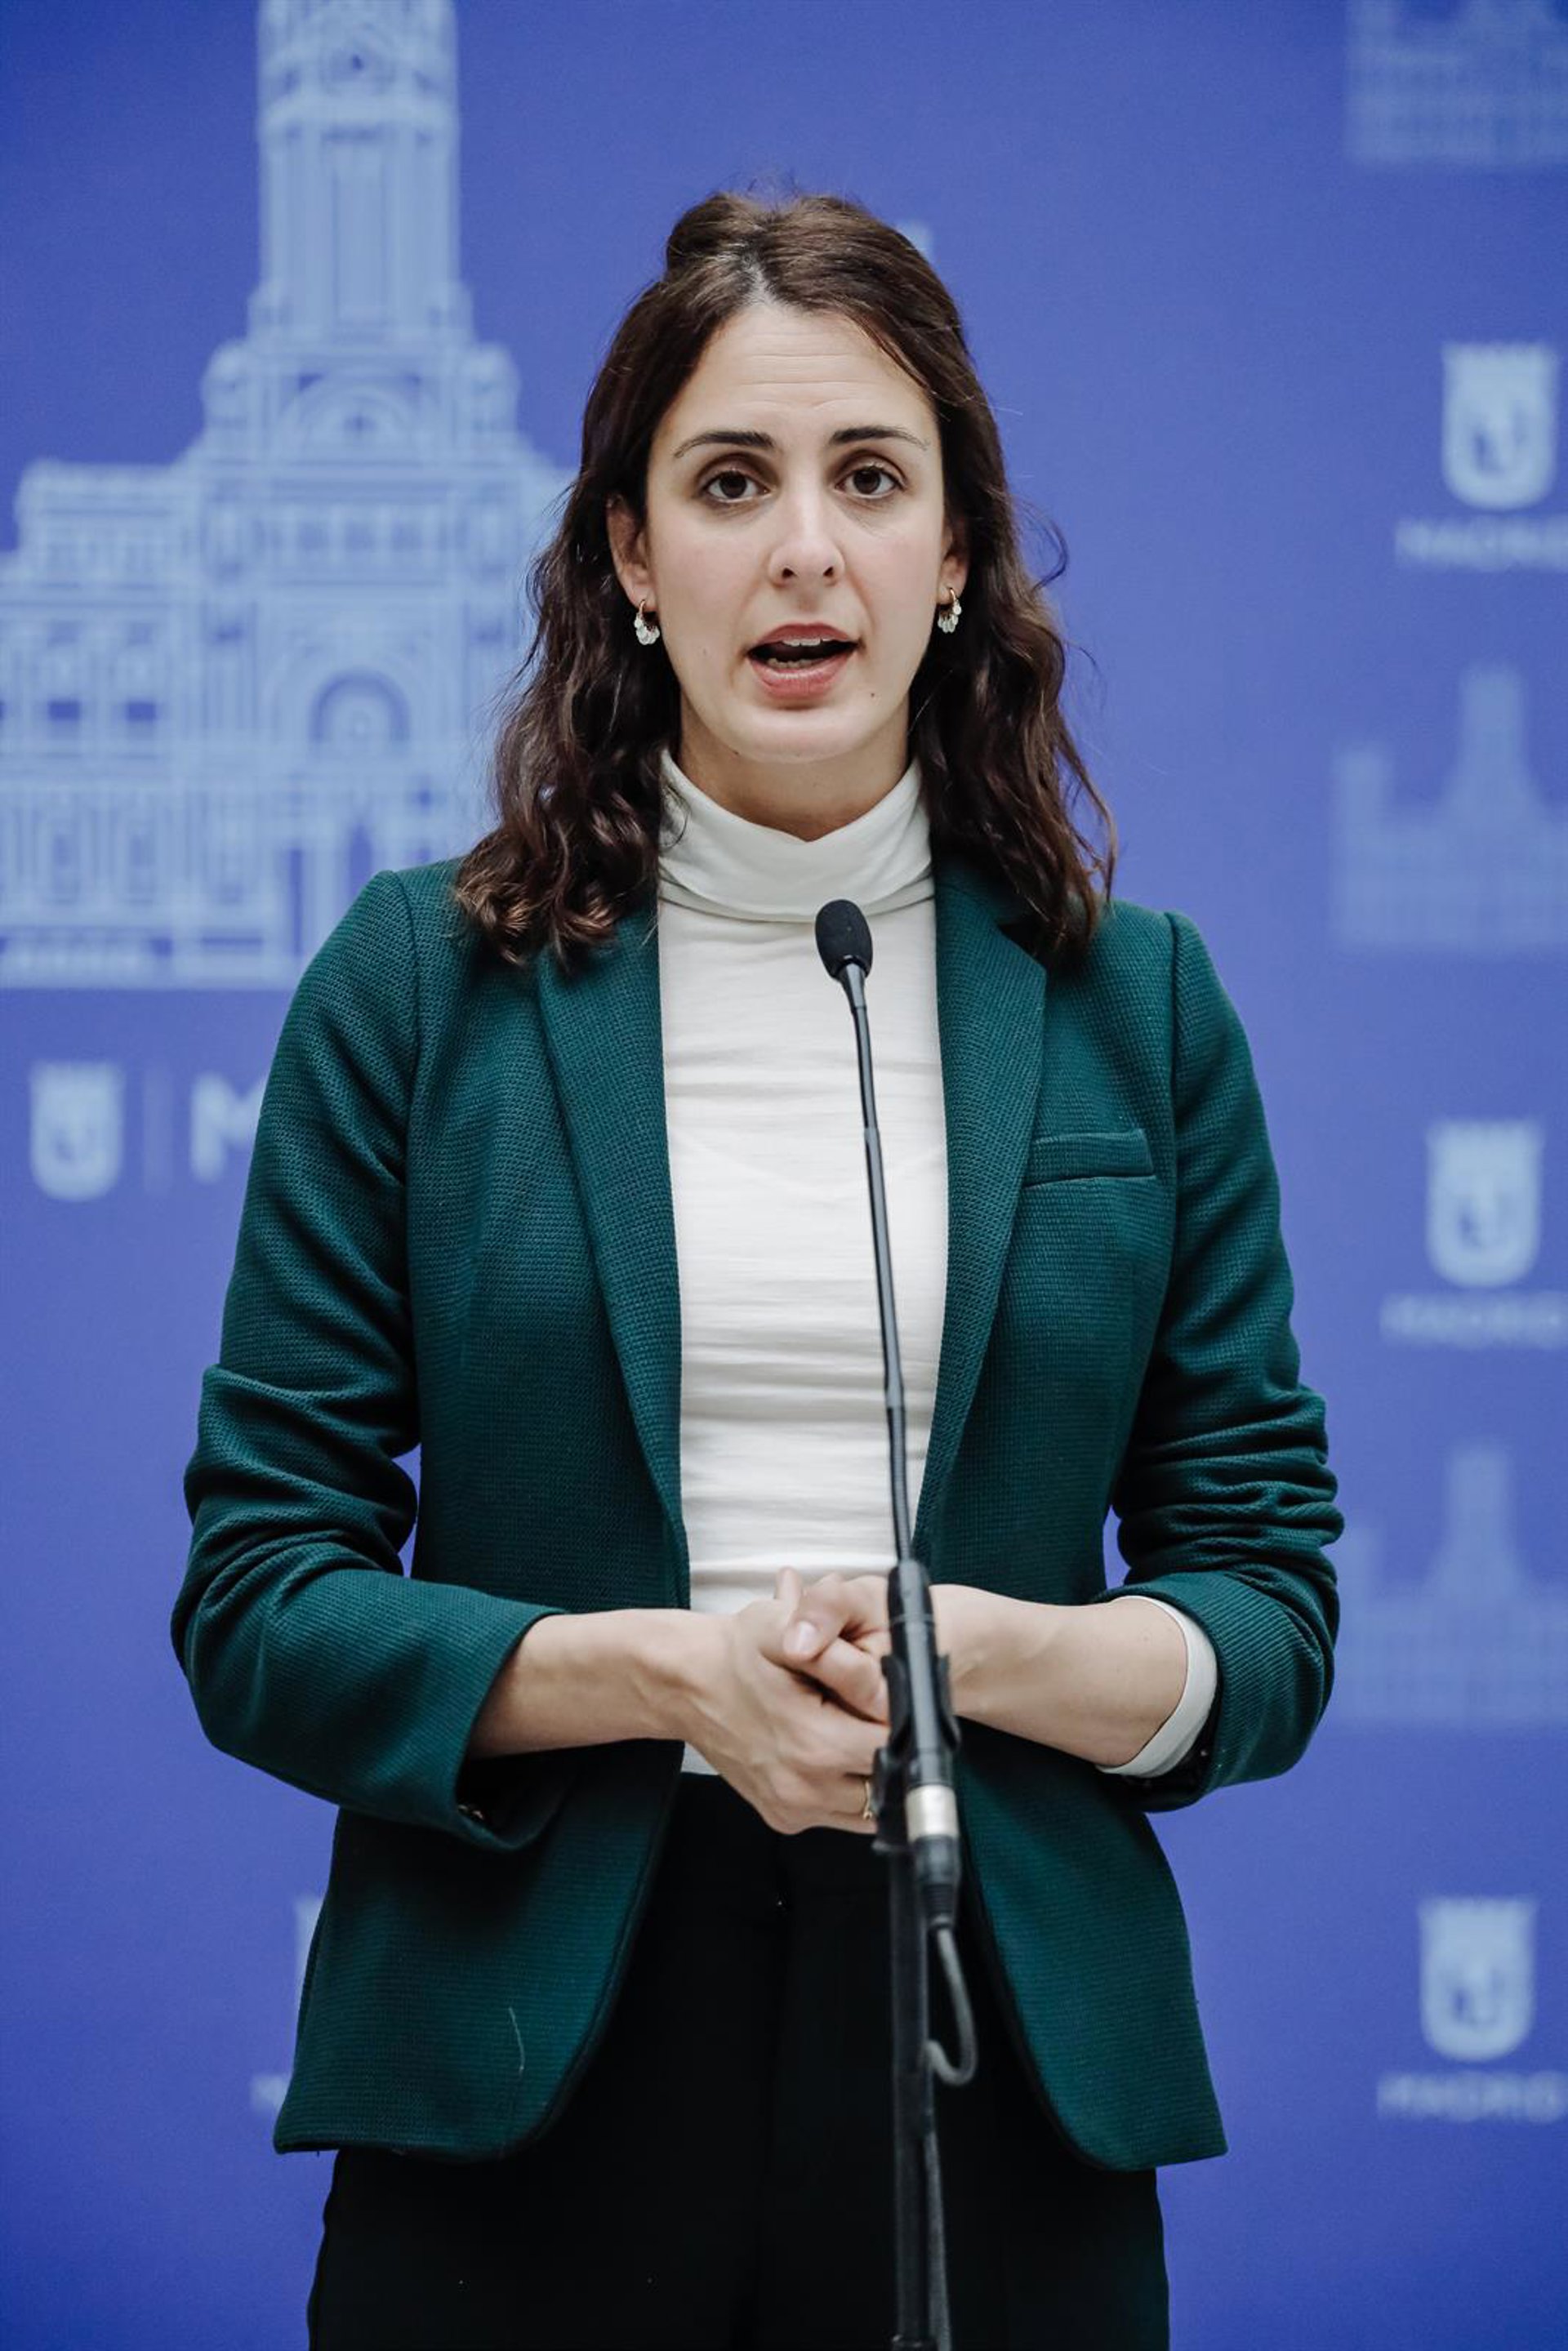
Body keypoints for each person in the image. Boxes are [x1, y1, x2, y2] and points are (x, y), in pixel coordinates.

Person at [173, 187, 1342, 2350]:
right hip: (527, 2063)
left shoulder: (1140, 1009)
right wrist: (665, 1677)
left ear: (958, 553)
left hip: (999, 2055)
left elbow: (1268, 1605)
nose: (805, 548)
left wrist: (986, 1659)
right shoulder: (419, 989)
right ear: (630, 555)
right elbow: (262, 1602)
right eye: (730, 483)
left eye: (870, 479)